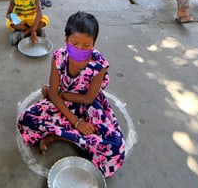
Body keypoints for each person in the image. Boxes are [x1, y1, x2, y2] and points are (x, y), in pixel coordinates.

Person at [17, 11, 125, 178]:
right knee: (26, 119)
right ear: (66, 39)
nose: (80, 49)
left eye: (86, 45)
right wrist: (76, 122)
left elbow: (88, 98)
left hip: (87, 105)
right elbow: (53, 93)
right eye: (74, 43)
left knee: (115, 147)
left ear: (94, 44)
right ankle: (70, 137)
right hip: (61, 102)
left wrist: (64, 95)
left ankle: (58, 136)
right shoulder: (59, 57)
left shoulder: (99, 64)